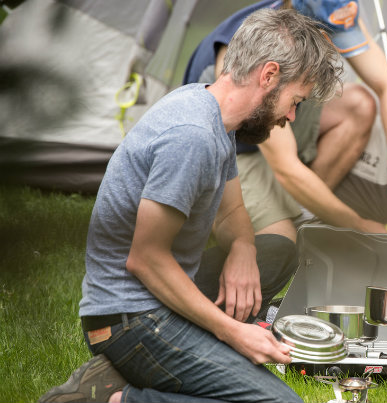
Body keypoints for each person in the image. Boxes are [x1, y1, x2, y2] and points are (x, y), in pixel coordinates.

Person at [38, 8, 342, 403]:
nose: (291, 115)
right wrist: (233, 333)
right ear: (268, 76)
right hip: (131, 319)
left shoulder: (215, 116)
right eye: (294, 99)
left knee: (277, 250)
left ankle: (126, 373)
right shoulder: (192, 136)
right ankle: (116, 398)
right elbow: (145, 259)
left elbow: (232, 213)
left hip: (157, 299)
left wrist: (243, 249)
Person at [184, 0, 387, 241]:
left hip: (272, 123)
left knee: (359, 104)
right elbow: (286, 167)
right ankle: (278, 219)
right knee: (279, 240)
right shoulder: (253, 43)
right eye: (324, 32)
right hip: (233, 148)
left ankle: (303, 213)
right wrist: (360, 226)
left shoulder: (340, 8)